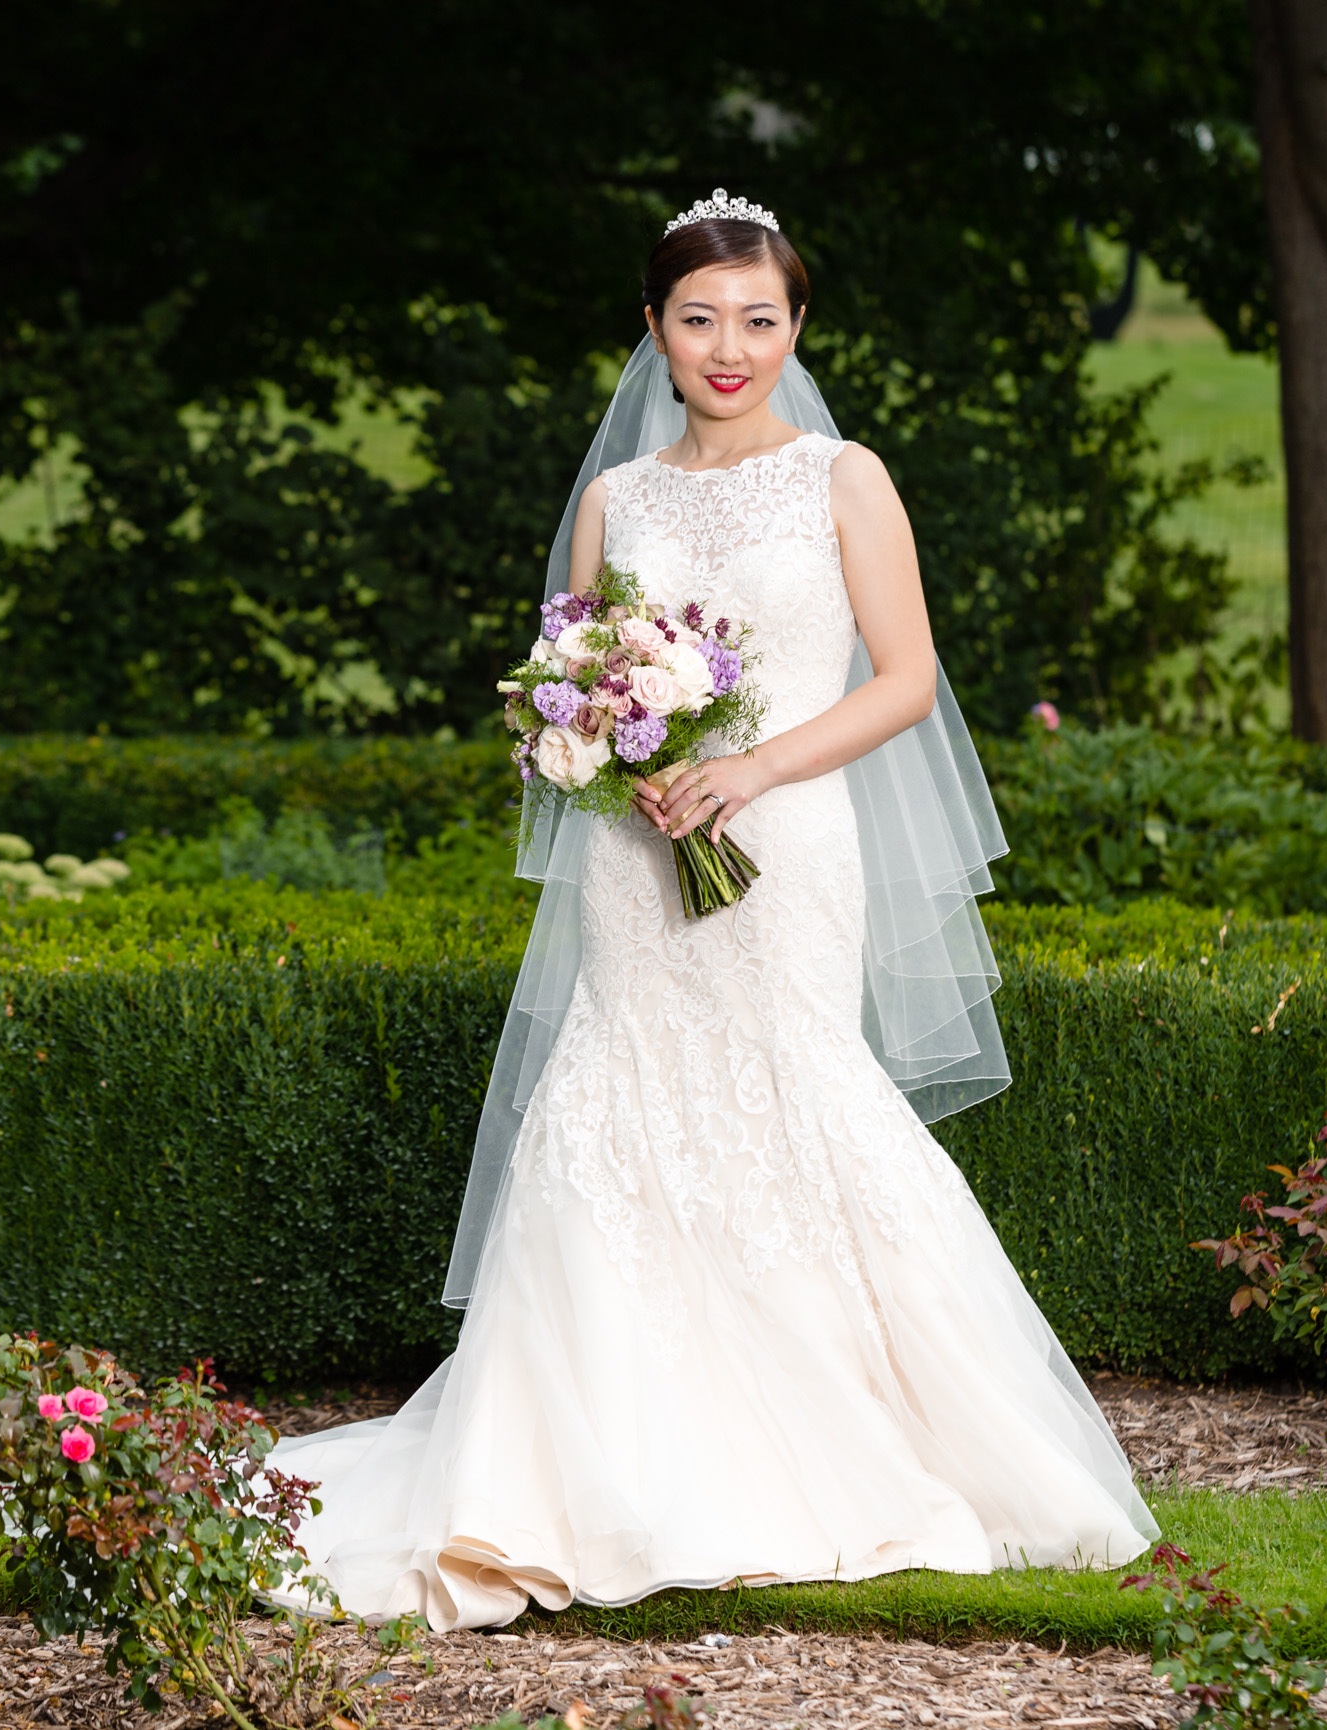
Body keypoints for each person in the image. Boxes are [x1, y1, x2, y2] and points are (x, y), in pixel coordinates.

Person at [267, 190, 1155, 1631]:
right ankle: (590, 1458)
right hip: (643, 860)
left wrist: (744, 766)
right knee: (621, 1097)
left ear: (796, 327)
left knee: (794, 1094)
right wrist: (613, 755)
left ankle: (858, 1448)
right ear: (654, 332)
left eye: (757, 319)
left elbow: (905, 679)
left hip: (789, 840)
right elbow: (578, 675)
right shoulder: (619, 501)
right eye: (699, 320)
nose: (728, 347)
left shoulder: (844, 479)